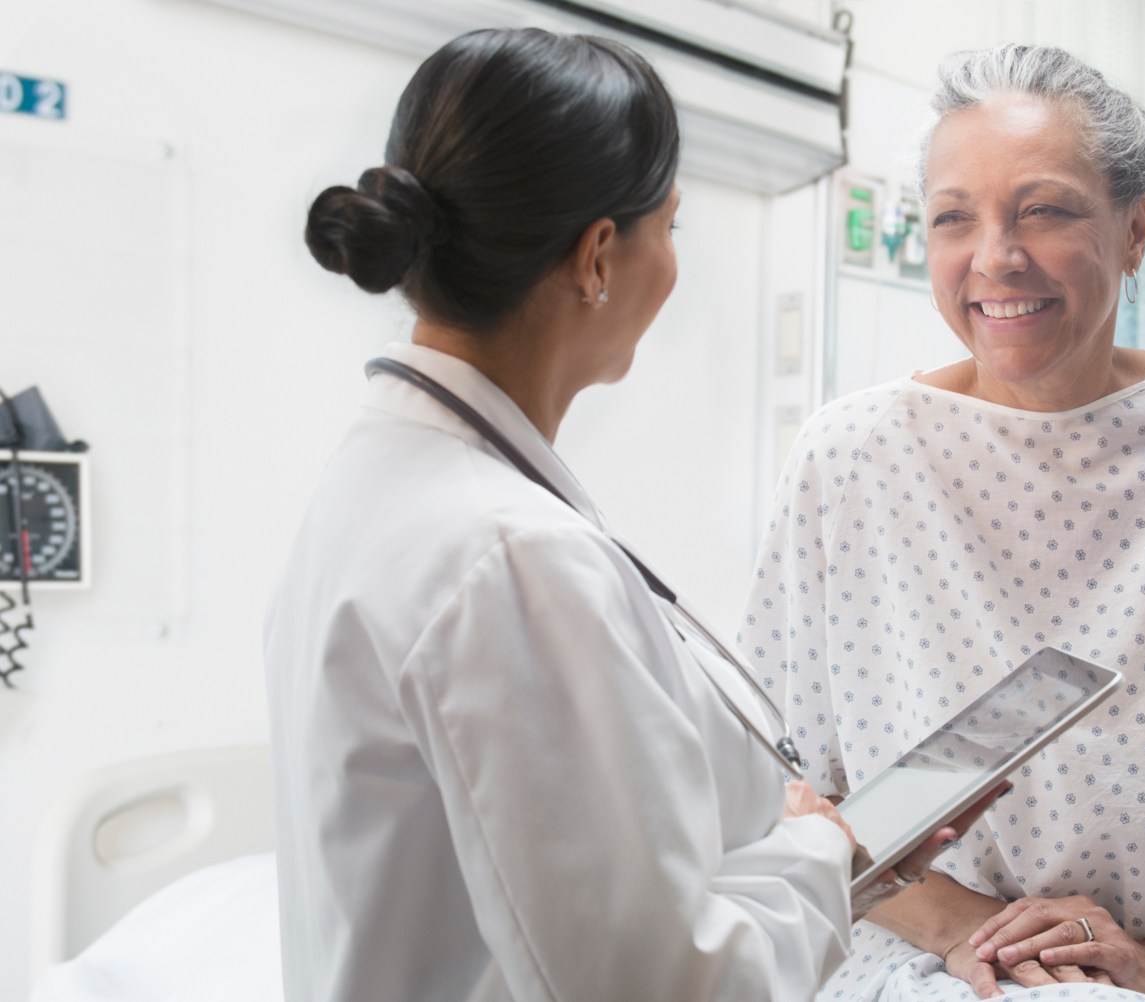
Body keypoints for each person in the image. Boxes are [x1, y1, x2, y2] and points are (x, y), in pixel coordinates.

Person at [264, 27, 1004, 1002]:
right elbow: (661, 986)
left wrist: (776, 833)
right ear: (599, 256)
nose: (672, 262)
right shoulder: (506, 556)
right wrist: (827, 852)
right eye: (673, 227)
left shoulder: (390, 476)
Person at [739, 44, 1145, 1002]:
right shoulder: (848, 457)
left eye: (1043, 210)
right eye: (953, 219)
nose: (995, 258)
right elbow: (784, 788)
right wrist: (971, 933)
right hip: (937, 956)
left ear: (1135, 231)